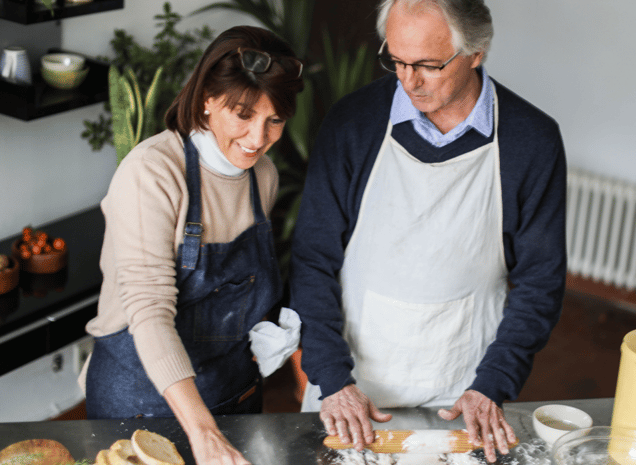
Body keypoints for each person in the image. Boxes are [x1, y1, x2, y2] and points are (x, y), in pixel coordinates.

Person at [289, 0, 567, 462]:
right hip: (352, 386)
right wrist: (333, 381)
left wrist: (492, 386)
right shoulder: (352, 123)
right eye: (396, 60)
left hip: (465, 389)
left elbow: (541, 281)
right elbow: (313, 258)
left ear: (476, 52)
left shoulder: (530, 140)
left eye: (428, 65)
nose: (408, 81)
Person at [83, 26, 303, 465]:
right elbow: (148, 309)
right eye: (242, 114)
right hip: (141, 399)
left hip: (233, 389)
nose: (257, 139)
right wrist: (202, 431)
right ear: (206, 98)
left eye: (274, 119)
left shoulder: (264, 178)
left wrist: (271, 331)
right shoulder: (152, 172)